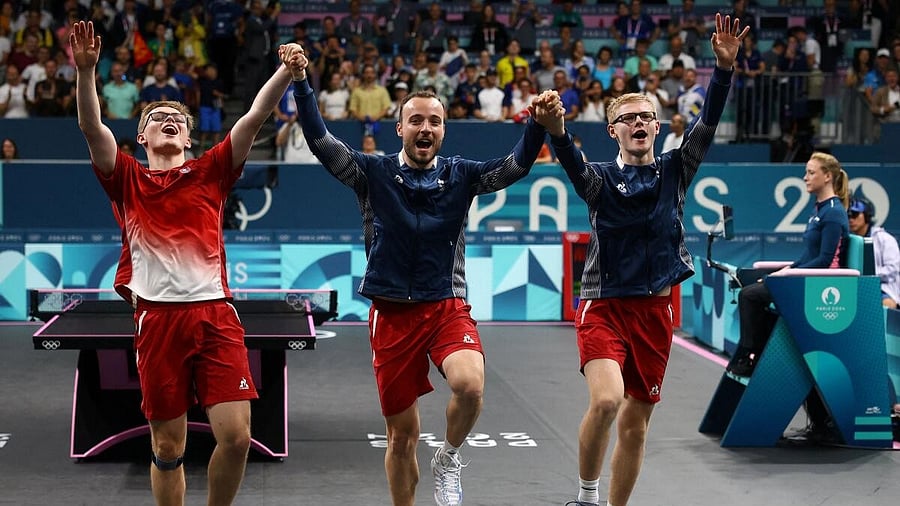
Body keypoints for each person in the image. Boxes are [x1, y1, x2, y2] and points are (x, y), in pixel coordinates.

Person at [282, 42, 564, 506]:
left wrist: (535, 124)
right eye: (416, 119)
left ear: (444, 131)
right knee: (402, 438)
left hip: (445, 306)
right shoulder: (370, 172)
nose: (426, 127)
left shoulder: (463, 175)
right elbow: (319, 141)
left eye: (434, 120)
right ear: (400, 129)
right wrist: (300, 82)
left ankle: (449, 457)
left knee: (470, 387)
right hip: (391, 316)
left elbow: (514, 167)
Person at [70, 20, 298, 506]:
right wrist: (87, 72)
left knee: (236, 438)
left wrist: (283, 72)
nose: (169, 119)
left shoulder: (211, 172)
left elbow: (255, 117)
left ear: (190, 139)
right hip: (158, 321)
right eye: (158, 117)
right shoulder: (126, 179)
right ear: (141, 138)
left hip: (215, 314)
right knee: (167, 447)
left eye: (178, 116)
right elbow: (92, 127)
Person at [551, 14, 749, 506]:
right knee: (605, 401)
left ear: (658, 128)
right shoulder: (597, 178)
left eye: (646, 117)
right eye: (628, 119)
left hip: (655, 315)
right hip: (604, 308)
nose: (639, 123)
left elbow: (707, 125)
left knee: (636, 427)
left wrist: (722, 71)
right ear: (613, 131)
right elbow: (570, 158)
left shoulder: (675, 169)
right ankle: (586, 496)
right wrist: (556, 131)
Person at [728, 151, 850, 378]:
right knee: (752, 280)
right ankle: (761, 353)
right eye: (806, 172)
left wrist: (789, 273)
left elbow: (824, 261)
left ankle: (749, 356)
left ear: (827, 177)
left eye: (811, 173)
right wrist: (786, 269)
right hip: (807, 276)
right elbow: (809, 255)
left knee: (749, 296)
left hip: (821, 284)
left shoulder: (833, 213)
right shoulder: (819, 210)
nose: (805, 177)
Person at [848, 197, 900, 309]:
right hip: (853, 287)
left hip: (881, 288)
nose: (851, 220)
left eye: (855, 214)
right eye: (848, 216)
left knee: (885, 304)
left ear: (866, 216)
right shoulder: (848, 241)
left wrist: (867, 276)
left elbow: (893, 269)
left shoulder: (885, 239)